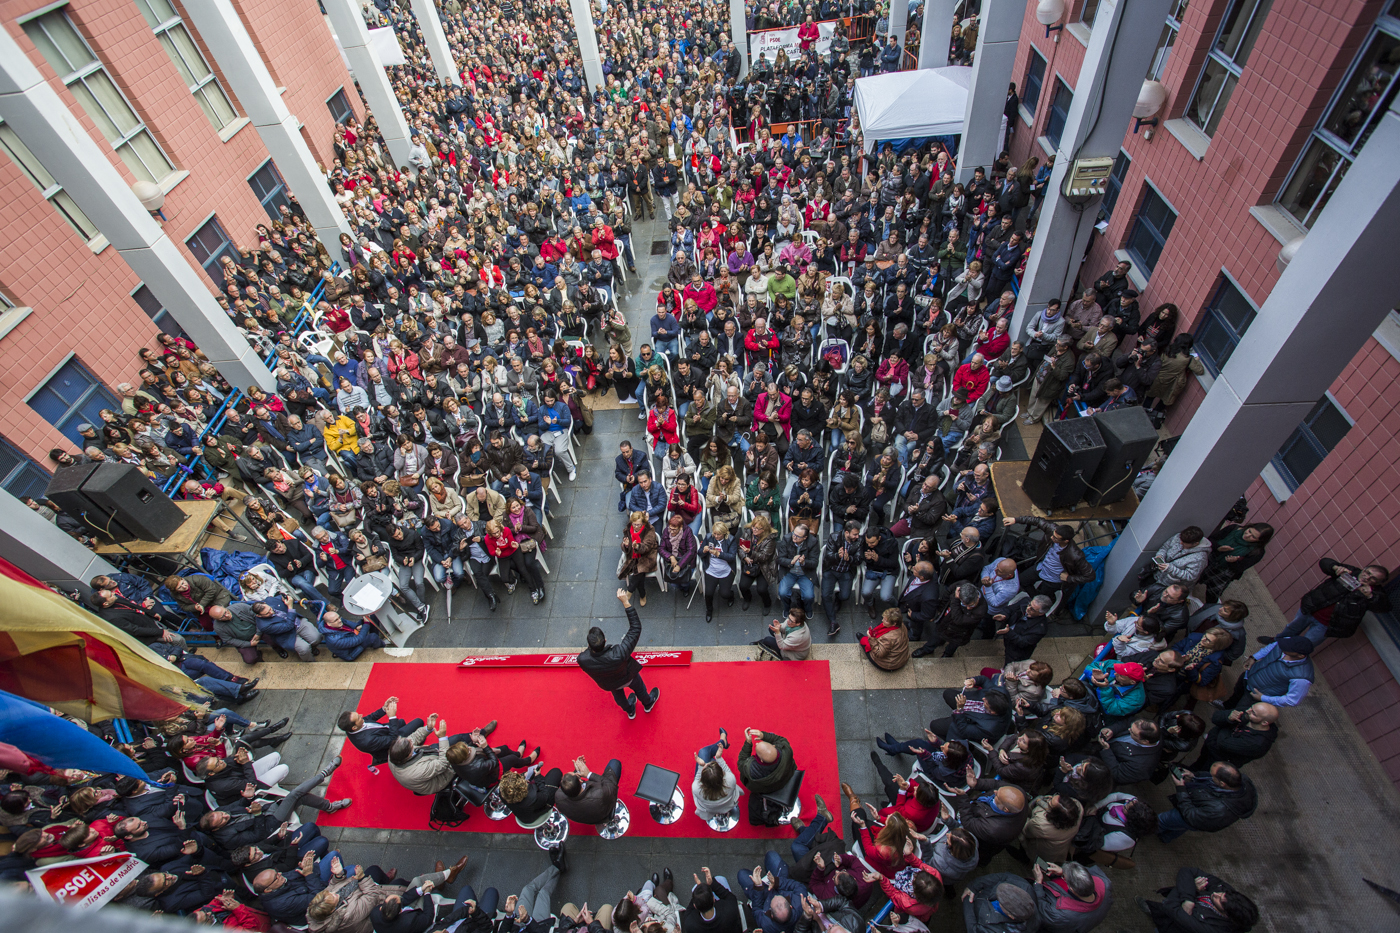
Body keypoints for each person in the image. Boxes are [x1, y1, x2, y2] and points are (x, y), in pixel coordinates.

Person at [1263, 557, 1390, 648]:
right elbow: (1324, 562)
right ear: (1365, 568)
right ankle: (1275, 642)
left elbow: (1384, 607)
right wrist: (1335, 568)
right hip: (1312, 608)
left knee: (1305, 645)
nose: (1367, 577)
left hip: (1326, 625)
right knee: (1291, 628)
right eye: (1367, 572)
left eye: (1372, 578)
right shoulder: (1351, 571)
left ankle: (1281, 657)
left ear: (1378, 583)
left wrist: (1370, 596)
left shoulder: (1375, 592)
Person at [578, 589, 658, 719]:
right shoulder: (619, 654)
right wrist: (626, 602)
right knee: (640, 689)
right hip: (628, 676)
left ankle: (630, 710)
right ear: (605, 641)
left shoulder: (582, 659)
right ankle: (648, 703)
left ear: (589, 646)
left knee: (619, 697)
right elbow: (635, 628)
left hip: (609, 683)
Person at [1137, 867, 1259, 932]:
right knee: (1158, 910)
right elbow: (1188, 871)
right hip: (1176, 912)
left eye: (1219, 900)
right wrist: (1188, 898)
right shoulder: (1227, 891)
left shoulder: (1211, 928)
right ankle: (1151, 909)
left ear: (1227, 914)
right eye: (1222, 894)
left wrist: (1190, 889)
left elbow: (1170, 906)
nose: (1216, 893)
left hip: (1177, 927)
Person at [1003, 516, 1094, 601]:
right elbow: (1037, 521)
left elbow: (1090, 576)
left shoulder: (1075, 555)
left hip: (1053, 579)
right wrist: (1015, 520)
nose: (1051, 537)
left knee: (1042, 598)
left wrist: (1069, 578)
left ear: (1066, 541)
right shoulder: (1052, 530)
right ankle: (1034, 599)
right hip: (1041, 567)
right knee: (1022, 580)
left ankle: (1040, 604)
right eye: (1053, 535)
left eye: (1056, 538)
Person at [1224, 636, 1315, 709]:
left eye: (1288, 648)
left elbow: (1292, 700)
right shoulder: (1286, 642)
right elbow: (1270, 648)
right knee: (1236, 693)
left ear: (1300, 655)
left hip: (1257, 694)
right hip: (1249, 676)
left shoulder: (1302, 677)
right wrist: (1254, 658)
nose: (1282, 646)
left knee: (1240, 713)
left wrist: (1263, 698)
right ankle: (1226, 707)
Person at [1190, 702, 1280, 771]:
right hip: (1210, 746)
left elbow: (1223, 743)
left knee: (1204, 772)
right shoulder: (1248, 713)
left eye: (1254, 713)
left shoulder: (1256, 743)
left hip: (1219, 760)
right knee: (1199, 763)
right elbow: (1216, 717)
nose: (1248, 711)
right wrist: (1228, 718)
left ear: (1264, 723)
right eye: (1251, 708)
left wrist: (1229, 722)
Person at [737, 728, 797, 826]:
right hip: (786, 778)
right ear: (773, 746)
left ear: (760, 760)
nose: (756, 744)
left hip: (766, 789)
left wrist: (748, 743)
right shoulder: (786, 750)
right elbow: (779, 739)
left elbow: (741, 761)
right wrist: (764, 736)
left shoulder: (752, 770)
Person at [337, 697, 423, 765]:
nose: (361, 715)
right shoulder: (368, 741)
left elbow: (371, 717)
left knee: (401, 722)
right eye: (359, 717)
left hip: (384, 731)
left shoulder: (352, 726)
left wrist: (384, 708)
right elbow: (393, 739)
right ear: (354, 728)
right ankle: (413, 742)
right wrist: (392, 717)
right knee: (419, 721)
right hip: (392, 741)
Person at [1032, 861, 1111, 933]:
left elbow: (1041, 909)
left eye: (1064, 878)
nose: (1063, 877)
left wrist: (1038, 883)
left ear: (1072, 889)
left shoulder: (1060, 914)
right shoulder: (1105, 883)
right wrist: (1063, 871)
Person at [554, 754, 622, 826]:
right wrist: (589, 774)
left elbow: (571, 785)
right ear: (580, 781)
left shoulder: (558, 795)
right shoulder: (600, 792)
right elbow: (611, 785)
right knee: (614, 763)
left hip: (581, 817)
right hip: (604, 815)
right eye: (576, 774)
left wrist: (577, 771)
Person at [692, 728, 742, 824]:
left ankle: (723, 742)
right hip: (728, 803)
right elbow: (727, 770)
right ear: (722, 774)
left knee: (704, 753)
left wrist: (701, 766)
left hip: (707, 808)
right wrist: (718, 758)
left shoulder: (696, 788)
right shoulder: (730, 780)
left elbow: (697, 779)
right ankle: (723, 742)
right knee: (705, 754)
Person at [961, 874, 1038, 933]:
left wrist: (967, 900)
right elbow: (1003, 876)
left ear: (1011, 916)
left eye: (1001, 901)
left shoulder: (996, 930)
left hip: (973, 907)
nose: (998, 897)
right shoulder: (1025, 887)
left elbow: (973, 928)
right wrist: (974, 886)